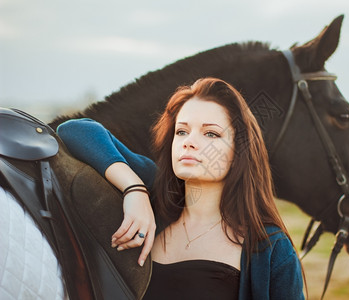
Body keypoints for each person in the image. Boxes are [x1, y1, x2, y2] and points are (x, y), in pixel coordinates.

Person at [57, 77, 305, 300]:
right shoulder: (156, 191)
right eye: (182, 131)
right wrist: (135, 189)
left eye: (210, 134)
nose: (189, 143)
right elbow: (74, 130)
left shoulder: (271, 248)